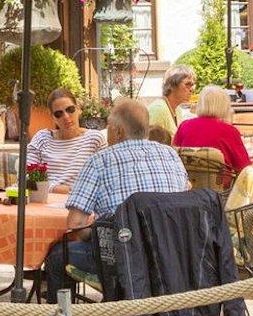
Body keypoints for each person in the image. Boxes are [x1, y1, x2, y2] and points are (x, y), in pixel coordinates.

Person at [47, 99, 189, 296]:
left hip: (123, 261)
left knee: (56, 255)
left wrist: (98, 230)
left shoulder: (100, 161)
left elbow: (76, 225)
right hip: (170, 256)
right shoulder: (171, 155)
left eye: (109, 127)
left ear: (118, 131)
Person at [27, 87, 105, 189]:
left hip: (80, 201)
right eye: (58, 114)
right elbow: (25, 177)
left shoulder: (94, 139)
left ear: (78, 109)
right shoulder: (42, 139)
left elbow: (105, 178)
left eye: (70, 109)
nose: (66, 117)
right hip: (45, 200)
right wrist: (54, 188)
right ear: (52, 117)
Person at [173, 86, 251, 174]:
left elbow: (174, 155)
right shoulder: (229, 131)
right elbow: (244, 168)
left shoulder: (184, 126)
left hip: (187, 183)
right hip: (221, 185)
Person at [146, 65, 195, 135]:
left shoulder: (178, 110)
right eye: (187, 84)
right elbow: (149, 143)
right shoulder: (158, 109)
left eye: (192, 85)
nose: (192, 89)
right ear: (172, 86)